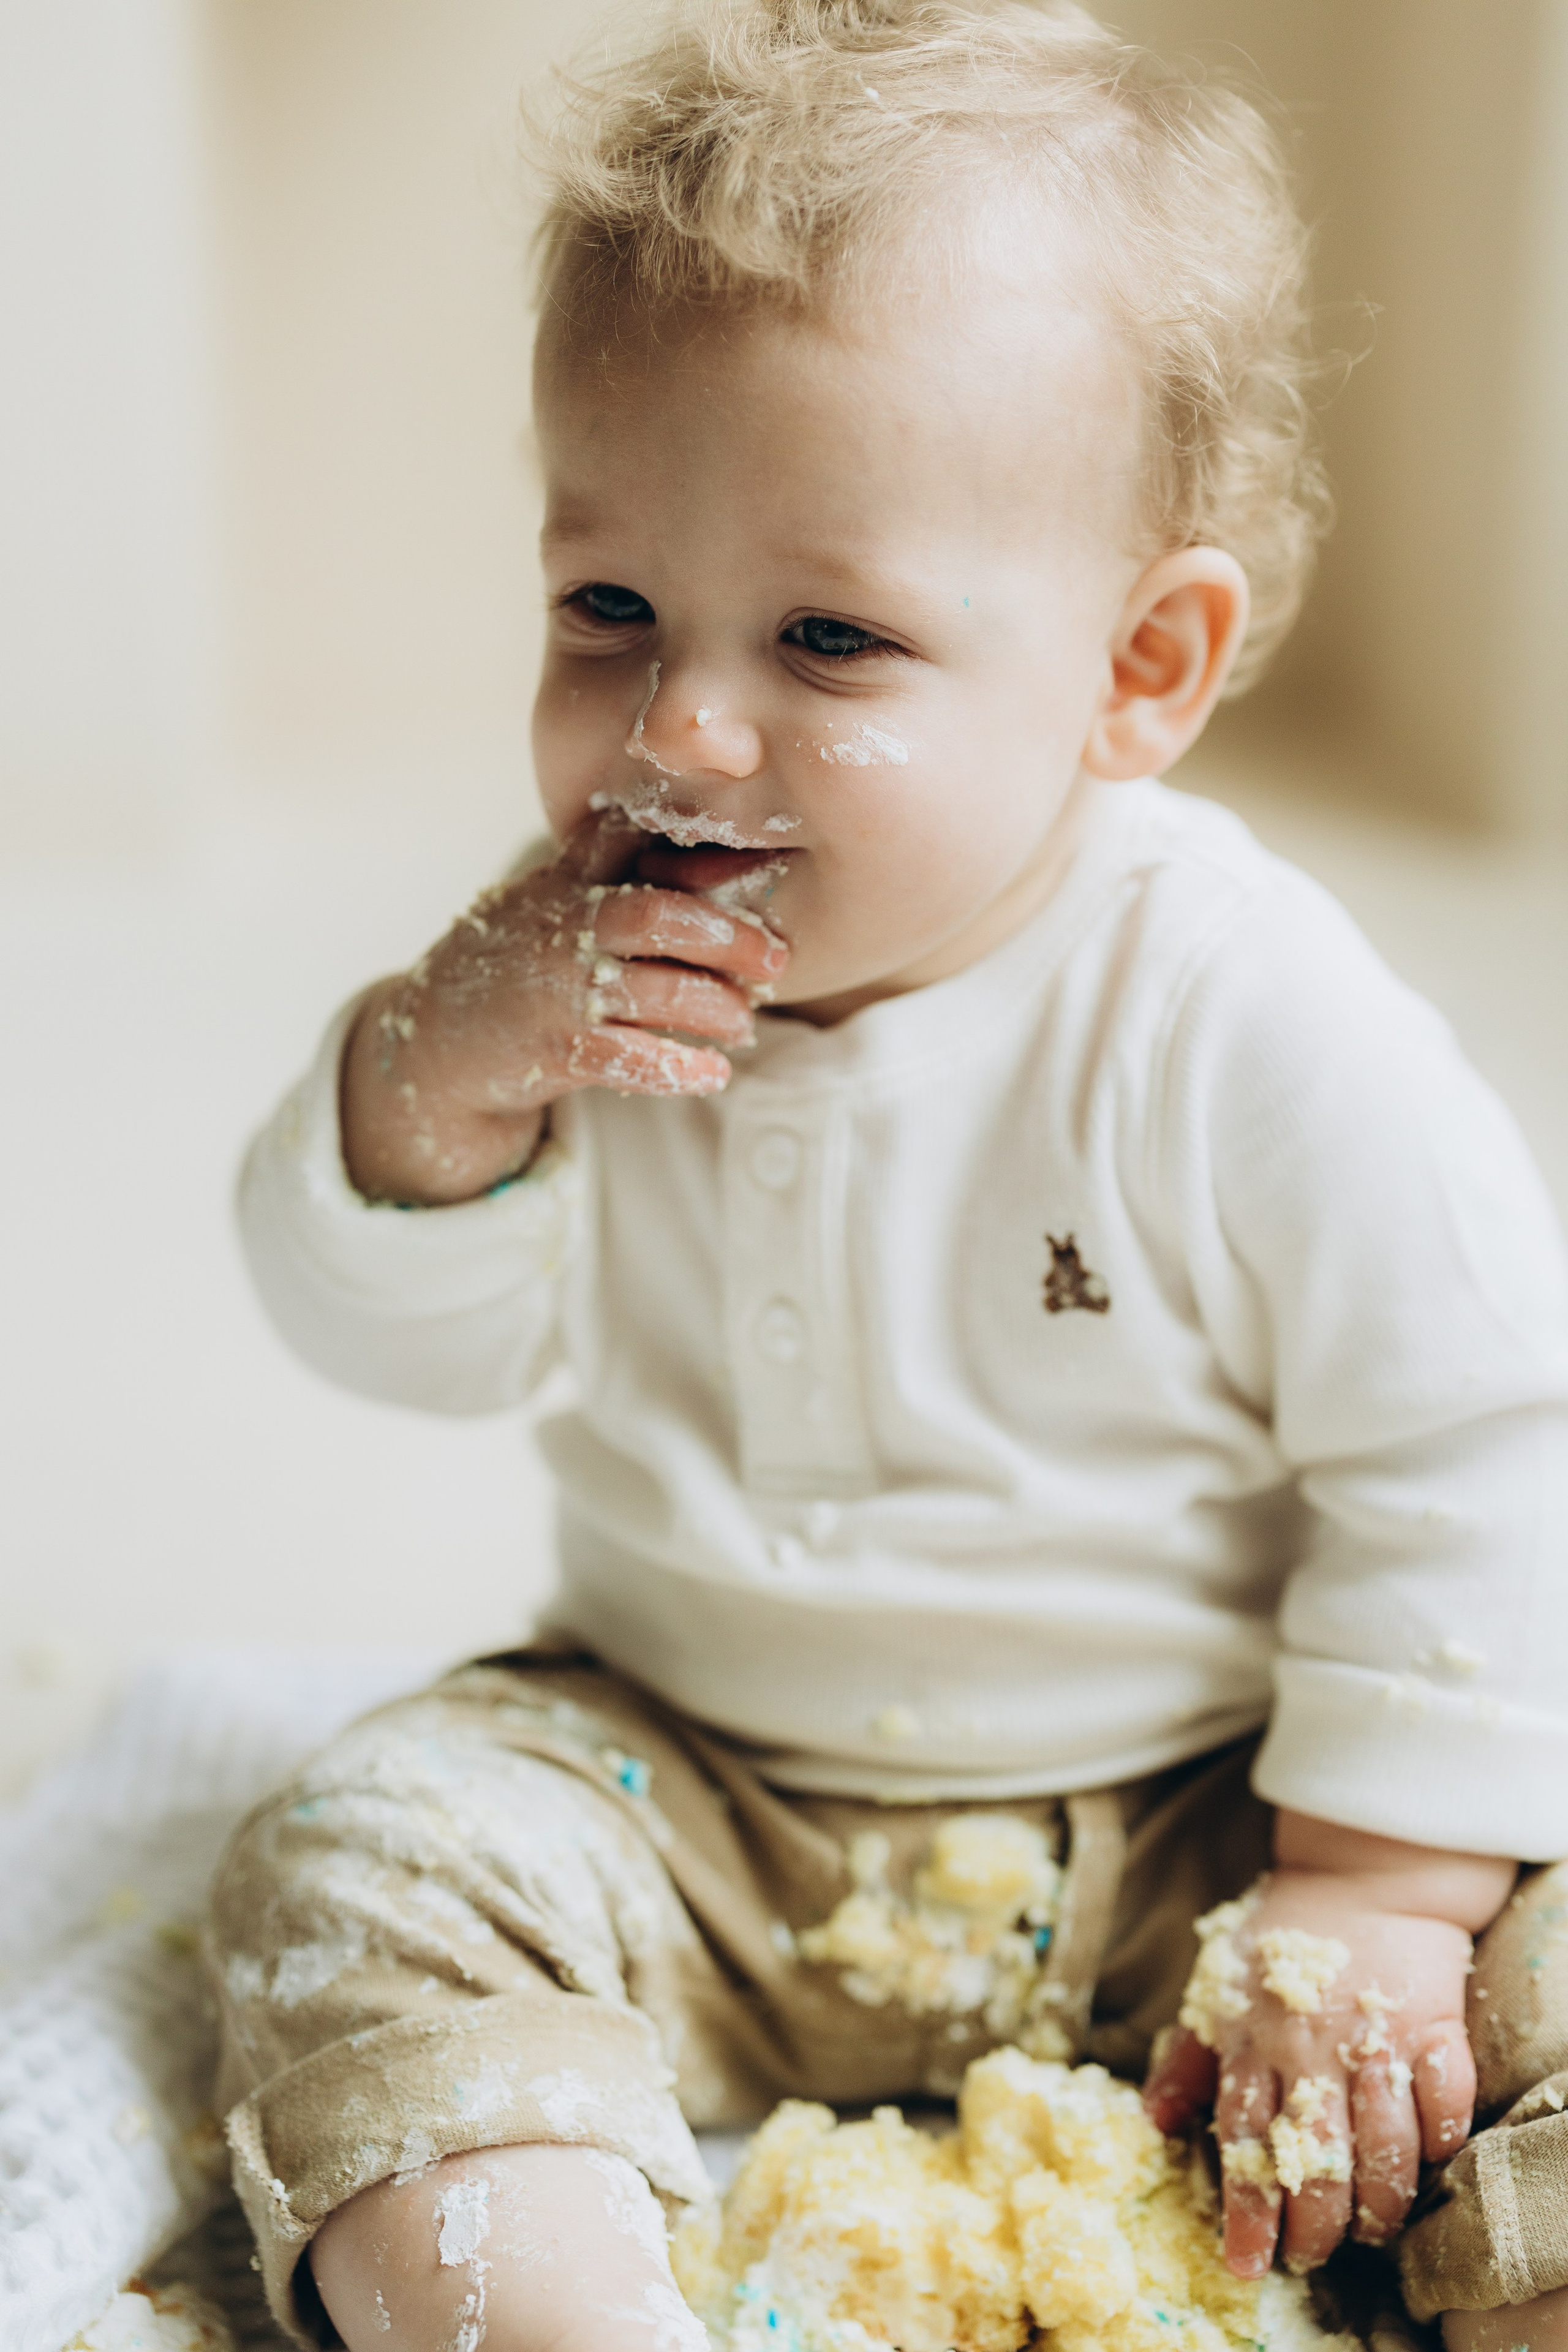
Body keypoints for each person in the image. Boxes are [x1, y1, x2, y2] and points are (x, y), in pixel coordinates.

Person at [211, 4, 1568, 2347]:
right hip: (692, 1784)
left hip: (1221, 1813)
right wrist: (438, 1092)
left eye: (831, 638)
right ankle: (552, 2294)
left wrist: (1375, 1890)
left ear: (1138, 667)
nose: (683, 731)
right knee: (356, 1858)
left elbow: (1482, 1442)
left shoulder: (1239, 1007)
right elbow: (399, 1332)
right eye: (607, 607)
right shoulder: (571, 971)